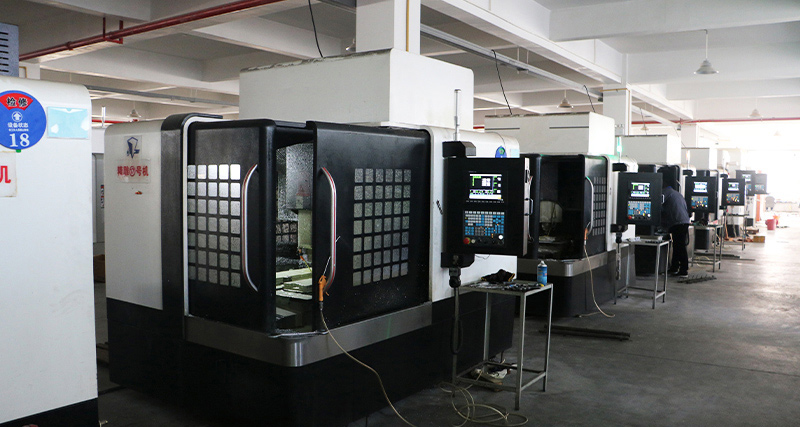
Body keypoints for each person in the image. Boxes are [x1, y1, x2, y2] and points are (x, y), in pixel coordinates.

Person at [661, 185, 691, 277]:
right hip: (683, 221)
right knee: (677, 245)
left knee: (680, 246)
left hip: (678, 222)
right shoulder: (676, 193)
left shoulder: (664, 193)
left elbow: (657, 206)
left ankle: (684, 270)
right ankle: (674, 267)